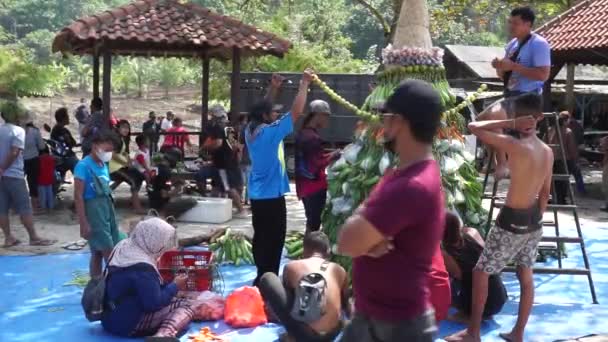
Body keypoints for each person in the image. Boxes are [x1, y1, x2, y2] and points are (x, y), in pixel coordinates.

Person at [336, 80, 445, 342]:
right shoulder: (400, 174)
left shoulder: (410, 186)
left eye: (385, 117)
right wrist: (368, 236)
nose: (382, 124)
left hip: (398, 328)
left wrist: (364, 232)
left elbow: (347, 241)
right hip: (374, 319)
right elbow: (357, 239)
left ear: (399, 122)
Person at [446, 94, 553, 342]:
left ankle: (473, 333)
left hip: (511, 221)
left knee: (481, 272)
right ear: (538, 118)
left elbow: (474, 126)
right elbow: (545, 194)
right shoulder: (547, 151)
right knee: (526, 278)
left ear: (522, 117)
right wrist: (534, 220)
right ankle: (518, 332)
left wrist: (512, 123)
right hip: (534, 221)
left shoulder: (516, 145)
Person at [245, 70, 313, 286]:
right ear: (266, 116)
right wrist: (304, 84)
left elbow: (261, 109)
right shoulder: (270, 133)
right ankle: (269, 280)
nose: (275, 115)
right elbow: (296, 112)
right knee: (274, 240)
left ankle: (261, 276)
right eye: (273, 113)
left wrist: (273, 89)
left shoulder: (250, 130)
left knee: (261, 237)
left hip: (257, 196)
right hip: (272, 197)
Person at [478, 6, 551, 180]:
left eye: (515, 23)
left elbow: (543, 74)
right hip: (511, 95)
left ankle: (503, 164)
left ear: (527, 24)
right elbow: (504, 74)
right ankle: (496, 162)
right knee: (480, 121)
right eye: (510, 22)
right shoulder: (512, 45)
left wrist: (513, 66)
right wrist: (500, 67)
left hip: (528, 98)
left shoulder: (539, 44)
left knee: (493, 118)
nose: (511, 26)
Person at [102, 217, 193, 342]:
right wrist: (175, 285)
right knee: (186, 305)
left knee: (173, 297)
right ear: (154, 241)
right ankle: (163, 335)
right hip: (126, 325)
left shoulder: (123, 246)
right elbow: (154, 304)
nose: (164, 247)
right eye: (163, 242)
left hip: (108, 319)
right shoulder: (143, 268)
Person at [259, 231, 349, 342]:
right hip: (332, 334)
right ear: (328, 252)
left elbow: (288, 302)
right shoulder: (339, 270)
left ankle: (292, 336)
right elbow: (346, 305)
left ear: (304, 250)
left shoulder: (292, 266)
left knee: (268, 278)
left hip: (304, 336)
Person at [0, 101, 55, 248]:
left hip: (2, 177)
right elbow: (14, 152)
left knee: (2, 208)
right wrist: (3, 167)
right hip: (14, 175)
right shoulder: (18, 131)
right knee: (25, 207)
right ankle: (33, 237)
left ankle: (8, 237)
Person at [74, 130, 125, 277]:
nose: (108, 153)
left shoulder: (103, 164)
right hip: (93, 211)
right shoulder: (83, 166)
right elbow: (78, 196)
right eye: (106, 150)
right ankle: (112, 282)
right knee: (106, 250)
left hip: (106, 207)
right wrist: (83, 223)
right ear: (95, 146)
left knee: (97, 251)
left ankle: (96, 282)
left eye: (111, 151)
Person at [442, 211, 507, 321]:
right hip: (500, 297)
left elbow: (458, 277)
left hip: (481, 304)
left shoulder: (445, 254)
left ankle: (467, 314)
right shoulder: (472, 232)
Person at [295, 100, 337, 234]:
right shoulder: (312, 138)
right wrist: (334, 156)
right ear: (318, 115)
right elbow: (316, 164)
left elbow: (313, 157)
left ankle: (308, 248)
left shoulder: (303, 133)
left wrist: (330, 154)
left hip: (303, 187)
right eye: (326, 116)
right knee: (314, 224)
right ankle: (309, 250)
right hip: (314, 187)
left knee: (311, 221)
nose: (327, 120)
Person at [203, 105, 246, 218]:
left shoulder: (218, 127)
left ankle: (241, 210)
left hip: (223, 163)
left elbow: (217, 143)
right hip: (232, 161)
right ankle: (216, 209)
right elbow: (237, 146)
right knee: (221, 185)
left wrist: (206, 147)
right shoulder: (230, 127)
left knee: (229, 187)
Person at [109, 120, 145, 213]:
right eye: (123, 127)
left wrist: (129, 161)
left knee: (139, 176)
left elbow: (124, 153)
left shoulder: (122, 139)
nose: (126, 130)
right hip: (115, 168)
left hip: (121, 166)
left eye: (127, 128)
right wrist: (125, 163)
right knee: (134, 180)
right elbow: (112, 155)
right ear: (118, 128)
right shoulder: (116, 139)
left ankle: (132, 199)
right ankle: (137, 207)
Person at [149, 154, 197, 219]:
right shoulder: (166, 171)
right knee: (191, 201)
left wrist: (173, 183)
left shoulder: (154, 168)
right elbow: (164, 193)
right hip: (162, 203)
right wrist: (178, 188)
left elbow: (158, 184)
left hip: (152, 200)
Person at [549, 112, 579, 204]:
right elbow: (571, 148)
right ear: (566, 120)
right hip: (564, 160)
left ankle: (554, 197)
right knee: (563, 181)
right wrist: (575, 159)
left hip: (551, 159)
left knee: (552, 180)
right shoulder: (567, 131)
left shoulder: (550, 130)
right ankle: (561, 199)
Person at [23, 112, 45, 210]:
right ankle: (35, 206)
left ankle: (15, 205)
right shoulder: (35, 132)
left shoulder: (16, 131)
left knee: (18, 181)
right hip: (33, 159)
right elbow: (42, 146)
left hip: (20, 160)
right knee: (33, 182)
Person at [51, 107, 80, 175]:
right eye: (67, 116)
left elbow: (73, 142)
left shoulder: (63, 130)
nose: (69, 118)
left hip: (66, 156)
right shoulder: (58, 130)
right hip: (64, 157)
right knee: (80, 169)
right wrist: (68, 141)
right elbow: (69, 144)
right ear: (63, 118)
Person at [563, 111, 586, 195]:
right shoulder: (573, 127)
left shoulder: (562, 128)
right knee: (576, 173)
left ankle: (563, 192)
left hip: (565, 155)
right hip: (570, 154)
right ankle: (581, 190)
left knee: (566, 174)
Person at [238, 114, 252, 205]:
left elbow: (241, 145)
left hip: (243, 158)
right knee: (249, 181)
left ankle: (240, 199)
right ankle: (248, 200)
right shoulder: (259, 128)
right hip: (251, 159)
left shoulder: (243, 129)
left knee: (241, 181)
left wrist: (239, 158)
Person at [37, 147, 55, 212]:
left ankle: (43, 208)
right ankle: (51, 207)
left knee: (42, 195)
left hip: (41, 178)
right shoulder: (51, 158)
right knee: (49, 193)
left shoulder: (38, 159)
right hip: (50, 178)